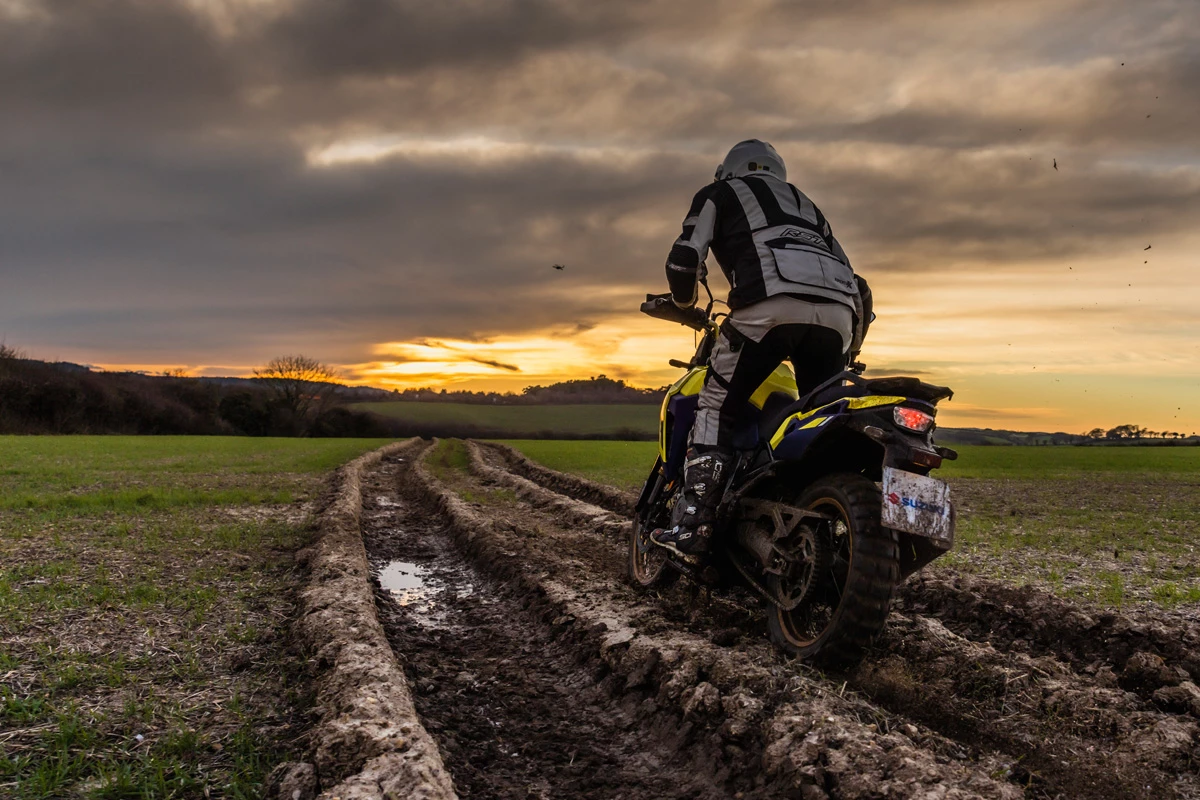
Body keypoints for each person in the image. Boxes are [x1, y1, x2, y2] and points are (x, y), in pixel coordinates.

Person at [650, 139, 871, 567]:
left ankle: (693, 527)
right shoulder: (809, 208)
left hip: (766, 309)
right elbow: (860, 288)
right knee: (816, 418)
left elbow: (684, 257)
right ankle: (805, 510)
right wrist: (851, 348)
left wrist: (683, 303)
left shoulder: (720, 192)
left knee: (714, 405)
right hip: (838, 319)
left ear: (727, 169)